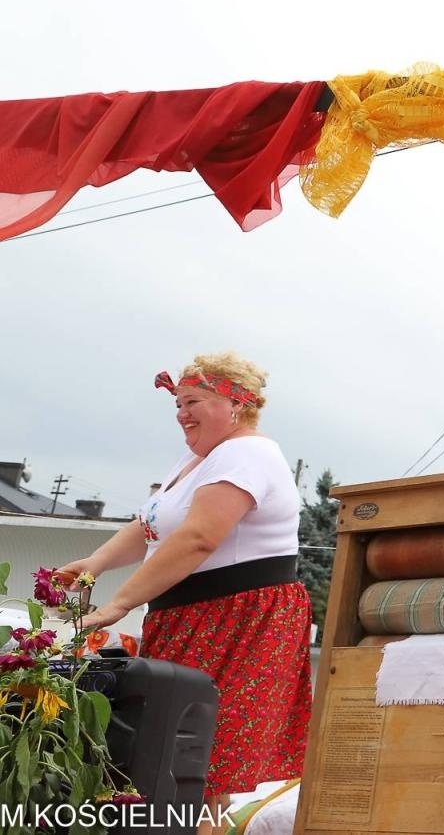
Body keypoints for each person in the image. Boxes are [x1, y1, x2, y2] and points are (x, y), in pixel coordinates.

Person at [59, 353, 312, 835]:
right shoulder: (199, 458)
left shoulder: (247, 454)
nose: (181, 413)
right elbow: (152, 524)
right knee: (165, 763)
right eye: (177, 403)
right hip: (192, 617)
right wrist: (96, 565)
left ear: (236, 405)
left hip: (240, 619)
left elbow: (198, 538)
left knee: (196, 767)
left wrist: (119, 603)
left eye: (193, 401)